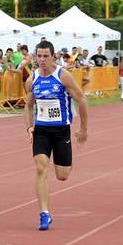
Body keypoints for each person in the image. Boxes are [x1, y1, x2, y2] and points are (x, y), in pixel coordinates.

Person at [24, 40, 89, 231]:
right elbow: (28, 105)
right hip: (41, 130)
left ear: (53, 56)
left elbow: (82, 100)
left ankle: (60, 163)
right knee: (41, 167)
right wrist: (29, 127)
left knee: (62, 175)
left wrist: (84, 129)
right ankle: (44, 214)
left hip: (61, 130)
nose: (42, 60)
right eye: (39, 56)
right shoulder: (32, 79)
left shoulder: (63, 76)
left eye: (46, 56)